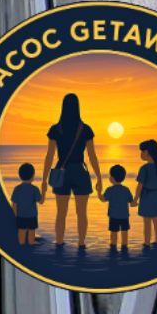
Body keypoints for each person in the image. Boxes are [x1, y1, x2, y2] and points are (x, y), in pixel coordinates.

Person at [40, 91, 104, 245]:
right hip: (80, 172)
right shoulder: (85, 129)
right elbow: (92, 155)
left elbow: (49, 156)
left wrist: (44, 180)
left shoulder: (56, 129)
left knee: (61, 213)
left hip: (61, 172)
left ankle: (59, 243)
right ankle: (81, 244)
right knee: (82, 213)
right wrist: (99, 177)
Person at [12, 162, 43, 245]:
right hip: (32, 215)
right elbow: (40, 201)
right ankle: (31, 241)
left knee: (21, 230)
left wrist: (15, 214)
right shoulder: (34, 189)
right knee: (32, 230)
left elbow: (14, 203)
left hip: (20, 215)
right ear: (33, 176)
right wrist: (43, 191)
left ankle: (21, 242)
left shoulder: (17, 189)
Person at [103, 165, 133, 250]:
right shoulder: (126, 189)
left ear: (112, 178)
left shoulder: (110, 189)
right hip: (124, 215)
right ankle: (124, 246)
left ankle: (113, 246)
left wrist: (98, 192)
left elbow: (103, 199)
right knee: (124, 231)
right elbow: (131, 200)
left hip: (113, 215)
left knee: (114, 232)